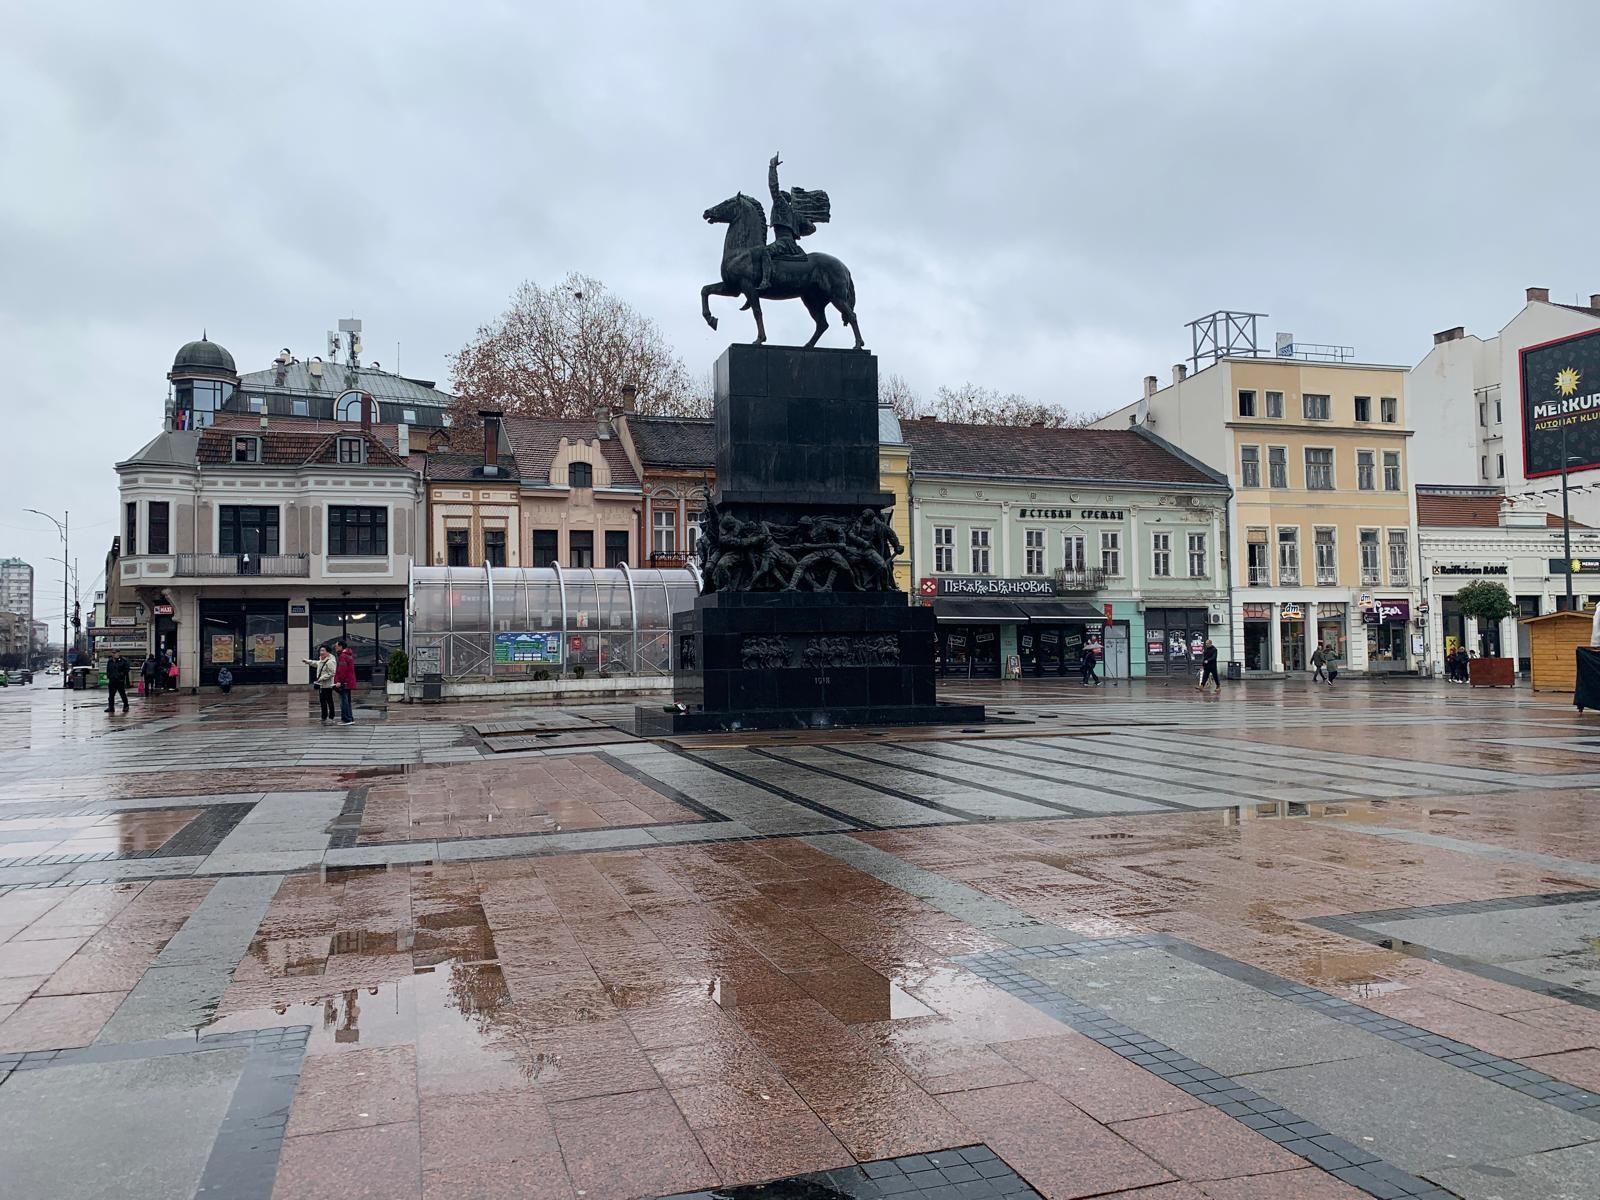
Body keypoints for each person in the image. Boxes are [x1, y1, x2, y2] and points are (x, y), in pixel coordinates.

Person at [304, 646, 337, 722]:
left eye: (323, 651)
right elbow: (316, 663)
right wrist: (307, 661)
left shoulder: (330, 661)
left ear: (328, 652)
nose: (321, 652)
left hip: (328, 685)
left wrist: (321, 678)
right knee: (322, 701)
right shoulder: (321, 660)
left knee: (329, 701)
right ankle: (323, 716)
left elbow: (332, 673)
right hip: (321, 685)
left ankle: (331, 716)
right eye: (320, 650)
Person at [333, 639, 358, 724]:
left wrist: (339, 681)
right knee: (347, 700)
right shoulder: (348, 655)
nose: (335, 648)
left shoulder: (343, 656)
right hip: (349, 681)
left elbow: (342, 670)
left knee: (344, 701)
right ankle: (350, 718)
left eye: (336, 646)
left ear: (340, 646)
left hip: (344, 682)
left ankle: (346, 719)